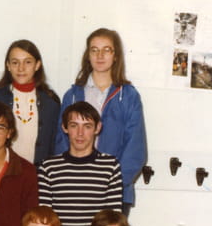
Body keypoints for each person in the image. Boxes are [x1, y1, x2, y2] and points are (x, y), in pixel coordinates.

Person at [54, 28, 146, 214]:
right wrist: (71, 181)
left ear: (116, 56)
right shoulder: (72, 95)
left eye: (106, 50)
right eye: (94, 50)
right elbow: (61, 142)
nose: (100, 55)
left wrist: (111, 183)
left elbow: (135, 149)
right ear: (88, 55)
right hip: (75, 189)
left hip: (113, 191)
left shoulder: (128, 96)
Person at [39, 101, 122, 226]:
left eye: (87, 126)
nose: (80, 133)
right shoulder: (49, 167)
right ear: (64, 127)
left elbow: (112, 219)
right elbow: (45, 219)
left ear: (97, 128)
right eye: (74, 125)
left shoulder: (110, 166)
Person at [0, 39, 61, 166]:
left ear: (37, 65)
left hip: (40, 171)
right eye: (15, 62)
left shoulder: (50, 101)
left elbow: (55, 143)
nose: (21, 68)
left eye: (28, 62)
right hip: (4, 170)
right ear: (8, 66)